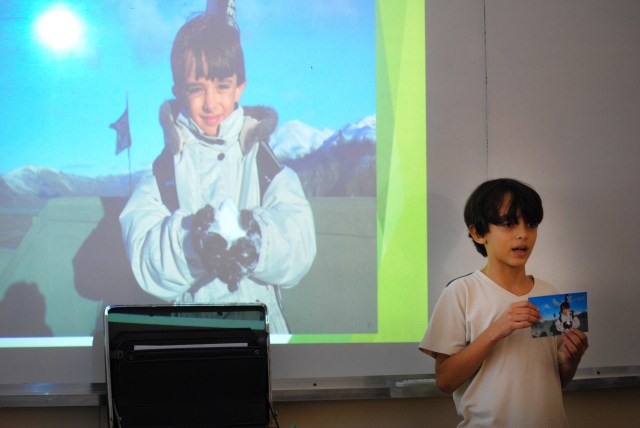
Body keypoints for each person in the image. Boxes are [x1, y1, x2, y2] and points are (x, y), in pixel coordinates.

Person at [119, 12, 316, 334]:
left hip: (262, 337)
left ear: (239, 88)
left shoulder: (266, 165)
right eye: (197, 89)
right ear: (178, 91)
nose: (211, 103)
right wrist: (194, 242)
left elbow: (299, 247)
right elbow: (145, 260)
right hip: (191, 340)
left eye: (222, 86)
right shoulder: (161, 175)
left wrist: (257, 240)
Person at [419, 178, 589, 427]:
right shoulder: (461, 292)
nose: (523, 234)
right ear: (478, 233)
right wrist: (496, 330)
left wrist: (571, 360)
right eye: (508, 224)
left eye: (531, 224)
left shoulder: (550, 294)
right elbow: (445, 382)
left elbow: (553, 381)